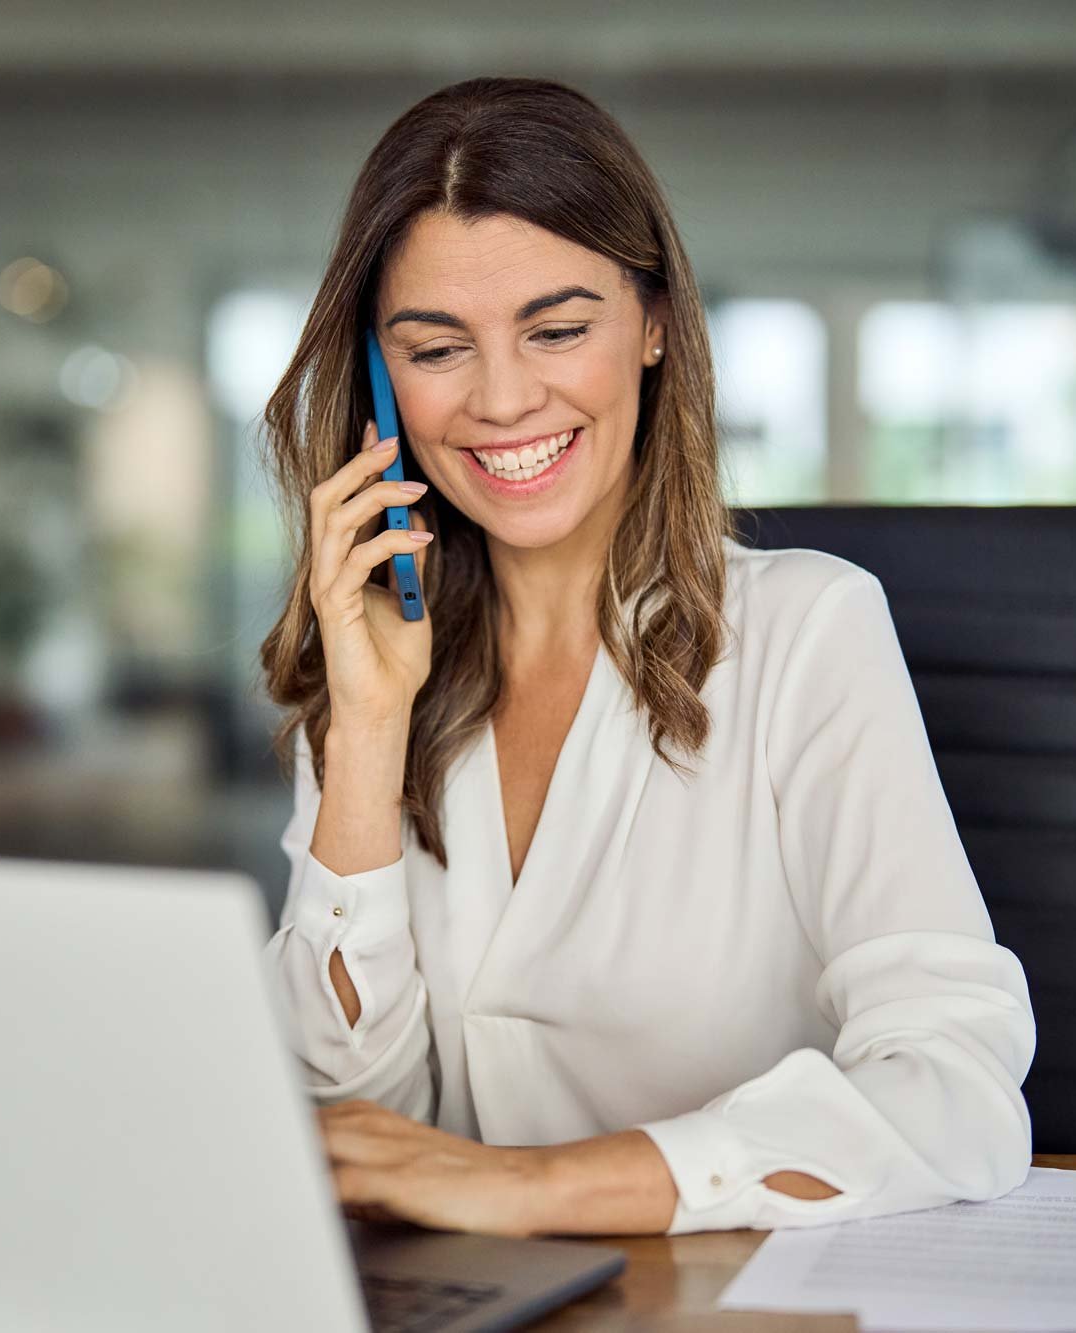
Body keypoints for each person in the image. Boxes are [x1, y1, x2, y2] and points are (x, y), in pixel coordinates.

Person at [258, 76, 1033, 1238]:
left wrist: (532, 1186)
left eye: (558, 329)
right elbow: (360, 1131)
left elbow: (956, 1086)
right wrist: (366, 728)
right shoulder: (378, 664)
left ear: (655, 322)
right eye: (435, 349)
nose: (503, 398)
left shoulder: (806, 633)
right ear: (379, 380)